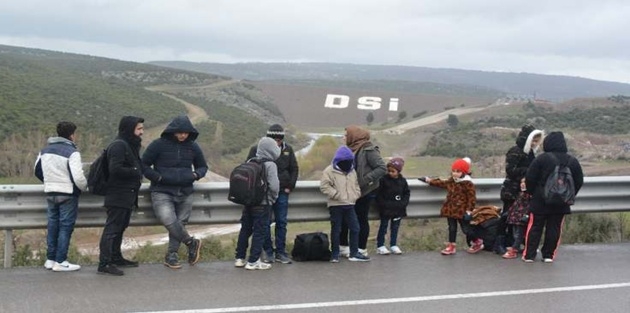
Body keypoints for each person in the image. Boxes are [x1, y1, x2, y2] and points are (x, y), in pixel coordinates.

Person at [142, 115, 207, 269]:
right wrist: (156, 177)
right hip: (162, 191)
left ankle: (172, 255)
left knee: (180, 223)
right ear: (172, 131)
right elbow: (143, 164)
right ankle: (191, 242)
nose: (183, 135)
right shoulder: (158, 145)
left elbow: (202, 166)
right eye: (180, 132)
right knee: (168, 219)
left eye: (186, 132)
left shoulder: (193, 147)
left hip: (186, 191)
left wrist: (195, 175)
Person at [522, 131, 584, 263]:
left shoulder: (541, 159)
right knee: (554, 228)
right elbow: (579, 181)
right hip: (562, 202)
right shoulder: (572, 161)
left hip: (540, 200)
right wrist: (567, 195)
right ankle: (548, 255)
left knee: (535, 227)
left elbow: (530, 178)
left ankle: (529, 255)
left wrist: (534, 193)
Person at [35, 122, 88, 272]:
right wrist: (83, 187)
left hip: (51, 192)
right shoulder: (72, 152)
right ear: (72, 135)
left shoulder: (44, 150)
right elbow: (78, 177)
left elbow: (37, 170)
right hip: (67, 193)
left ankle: (50, 260)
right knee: (65, 227)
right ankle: (61, 261)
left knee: (53, 226)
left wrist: (49, 182)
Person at [97, 116, 144, 276]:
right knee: (112, 229)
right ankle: (104, 263)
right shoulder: (119, 146)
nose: (141, 132)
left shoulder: (129, 145)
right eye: (139, 129)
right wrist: (136, 171)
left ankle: (116, 258)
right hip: (118, 195)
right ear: (129, 129)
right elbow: (115, 169)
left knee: (120, 228)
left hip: (127, 195)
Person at [246, 124, 299, 264]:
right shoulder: (256, 149)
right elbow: (248, 168)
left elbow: (294, 168)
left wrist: (290, 186)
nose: (277, 143)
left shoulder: (288, 149)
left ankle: (280, 252)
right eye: (274, 140)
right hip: (263, 194)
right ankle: (268, 252)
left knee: (281, 222)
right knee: (265, 223)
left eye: (279, 140)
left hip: (282, 191)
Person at [339, 125, 386, 257]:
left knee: (360, 218)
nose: (344, 138)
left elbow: (382, 168)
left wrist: (366, 179)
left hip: (365, 191)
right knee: (346, 218)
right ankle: (344, 246)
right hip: (351, 189)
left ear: (355, 137)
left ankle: (361, 248)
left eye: (346, 135)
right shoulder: (351, 149)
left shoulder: (368, 150)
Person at [235, 137, 281, 270]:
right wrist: (273, 199)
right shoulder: (270, 165)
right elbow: (274, 186)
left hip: (248, 202)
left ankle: (239, 258)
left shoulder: (251, 161)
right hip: (263, 204)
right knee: (259, 232)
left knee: (245, 230)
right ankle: (253, 261)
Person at [497, 125, 543, 254]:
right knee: (506, 217)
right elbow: (510, 170)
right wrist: (529, 172)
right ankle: (499, 243)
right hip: (511, 191)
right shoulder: (515, 151)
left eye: (537, 141)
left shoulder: (530, 153)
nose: (535, 143)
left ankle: (515, 243)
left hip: (523, 191)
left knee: (520, 219)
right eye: (533, 140)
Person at [419, 157, 481, 255]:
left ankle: (477, 241)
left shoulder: (468, 184)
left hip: (462, 211)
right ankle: (451, 246)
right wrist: (429, 180)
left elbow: (472, 198)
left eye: (458, 171)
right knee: (452, 228)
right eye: (453, 171)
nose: (455, 173)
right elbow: (442, 183)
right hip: (451, 209)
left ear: (464, 172)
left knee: (466, 229)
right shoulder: (452, 181)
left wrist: (469, 211)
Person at [320, 145, 370, 262]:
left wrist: (355, 195)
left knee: (355, 228)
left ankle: (354, 253)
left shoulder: (352, 171)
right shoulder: (329, 171)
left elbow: (356, 185)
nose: (347, 163)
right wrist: (336, 195)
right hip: (336, 205)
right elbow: (324, 186)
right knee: (336, 230)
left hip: (350, 204)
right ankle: (335, 254)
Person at [375, 157, 410, 255]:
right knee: (384, 226)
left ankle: (393, 244)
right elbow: (379, 194)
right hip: (386, 209)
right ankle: (380, 245)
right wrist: (383, 204)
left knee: (395, 227)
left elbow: (406, 193)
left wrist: (403, 203)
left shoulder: (402, 181)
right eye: (389, 171)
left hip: (398, 209)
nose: (390, 173)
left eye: (393, 171)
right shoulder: (383, 180)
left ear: (398, 171)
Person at [502, 179, 531, 259]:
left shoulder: (528, 194)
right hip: (516, 217)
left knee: (519, 234)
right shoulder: (520, 193)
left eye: (525, 182)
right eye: (521, 182)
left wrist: (526, 215)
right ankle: (523, 247)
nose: (522, 184)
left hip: (521, 217)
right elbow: (516, 205)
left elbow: (528, 206)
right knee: (516, 234)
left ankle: (514, 249)